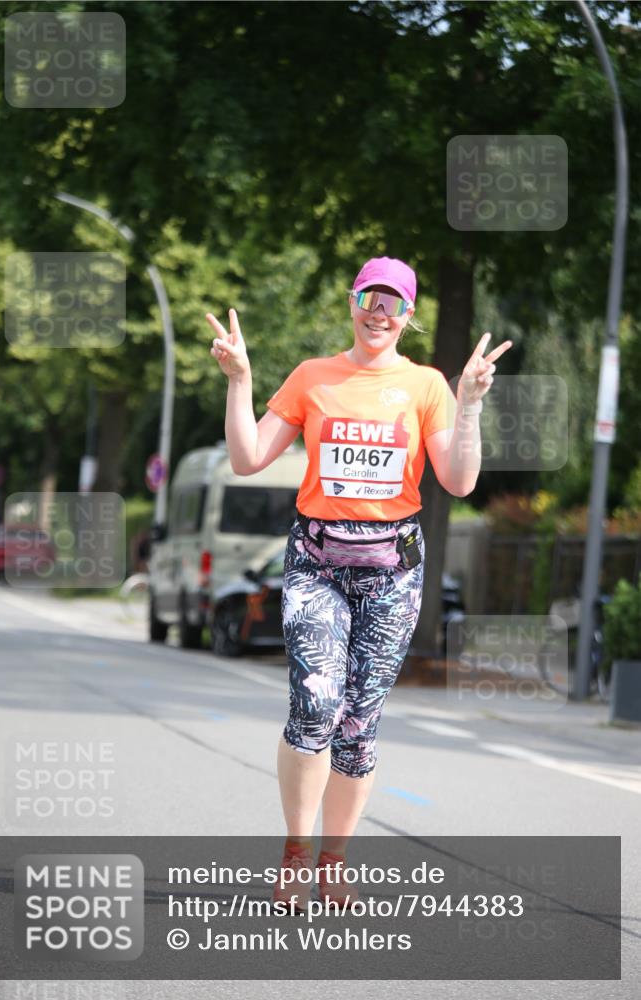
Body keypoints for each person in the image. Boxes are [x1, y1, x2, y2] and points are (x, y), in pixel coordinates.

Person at [205, 256, 512, 912]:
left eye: (393, 303)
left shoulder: (427, 384)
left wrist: (470, 406)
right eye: (370, 299)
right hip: (316, 562)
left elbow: (457, 481)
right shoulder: (313, 377)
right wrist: (238, 381)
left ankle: (335, 859)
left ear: (408, 317)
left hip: (392, 571)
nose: (379, 312)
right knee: (314, 704)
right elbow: (246, 457)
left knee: (359, 725)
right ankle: (295, 850)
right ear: (352, 303)